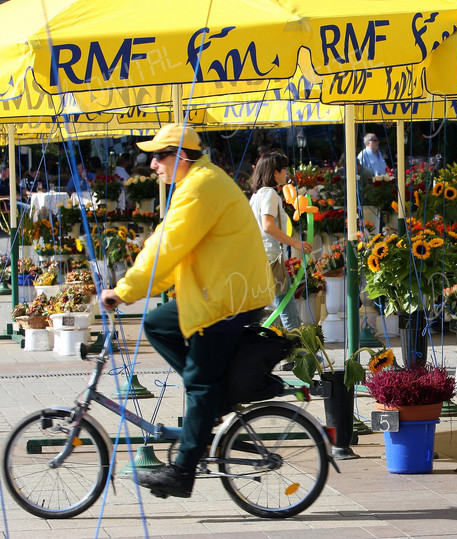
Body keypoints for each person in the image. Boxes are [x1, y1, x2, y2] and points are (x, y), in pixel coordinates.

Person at [100, 124, 273, 499]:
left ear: (180, 156)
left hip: (227, 298)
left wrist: (125, 290)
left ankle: (182, 472)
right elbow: (167, 244)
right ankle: (213, 398)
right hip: (219, 291)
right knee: (157, 324)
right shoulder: (197, 182)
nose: (152, 163)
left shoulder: (199, 187)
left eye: (159, 155)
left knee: (199, 381)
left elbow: (166, 246)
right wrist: (135, 289)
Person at [249, 151, 313, 330]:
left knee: (267, 307)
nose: (286, 173)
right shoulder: (270, 194)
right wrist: (295, 243)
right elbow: (267, 226)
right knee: (287, 307)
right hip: (270, 257)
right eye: (283, 169)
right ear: (274, 173)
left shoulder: (256, 195)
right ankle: (302, 352)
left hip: (258, 257)